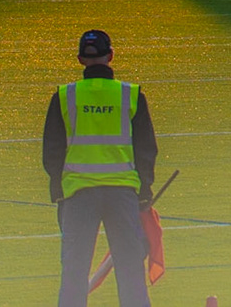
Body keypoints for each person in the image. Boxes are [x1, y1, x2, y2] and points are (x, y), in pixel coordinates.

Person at [44, 29, 159, 307]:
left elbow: (52, 151)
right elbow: (146, 149)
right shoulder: (130, 94)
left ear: (81, 59)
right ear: (111, 56)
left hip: (78, 193)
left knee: (74, 272)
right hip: (123, 194)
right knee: (130, 270)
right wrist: (144, 190)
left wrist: (58, 189)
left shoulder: (64, 96)